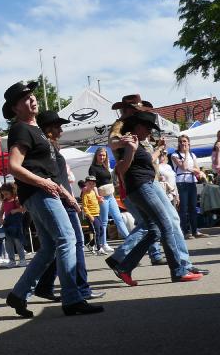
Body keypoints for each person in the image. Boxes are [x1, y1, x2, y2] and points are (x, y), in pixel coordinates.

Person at [1, 80, 103, 317]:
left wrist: (65, 193)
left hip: (44, 192)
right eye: (25, 98)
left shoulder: (36, 130)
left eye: (32, 95)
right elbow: (14, 166)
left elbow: (48, 171)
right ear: (15, 108)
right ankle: (72, 299)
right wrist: (43, 184)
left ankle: (19, 294)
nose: (32, 99)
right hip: (39, 193)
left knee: (48, 248)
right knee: (67, 238)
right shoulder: (20, 129)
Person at [106, 111, 206, 285]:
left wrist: (156, 149)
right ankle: (178, 271)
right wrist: (130, 150)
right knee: (166, 225)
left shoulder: (138, 141)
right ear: (138, 126)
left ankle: (124, 267)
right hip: (142, 187)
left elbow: (143, 161)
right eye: (148, 128)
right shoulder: (127, 140)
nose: (149, 132)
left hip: (144, 186)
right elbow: (120, 169)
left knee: (156, 230)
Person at [33, 111, 102, 302]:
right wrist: (69, 198)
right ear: (48, 129)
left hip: (61, 199)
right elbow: (53, 178)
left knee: (63, 245)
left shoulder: (51, 147)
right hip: (62, 200)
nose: (61, 131)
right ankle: (81, 288)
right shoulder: (47, 148)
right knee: (75, 243)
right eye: (58, 127)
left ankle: (45, 285)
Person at [109, 95, 164, 265]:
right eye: (136, 109)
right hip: (134, 182)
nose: (139, 111)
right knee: (150, 223)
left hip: (144, 180)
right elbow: (113, 141)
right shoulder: (120, 125)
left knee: (151, 223)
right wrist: (126, 142)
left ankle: (151, 254)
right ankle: (122, 255)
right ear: (128, 110)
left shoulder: (135, 126)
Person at [88, 148, 128, 253]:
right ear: (96, 156)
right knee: (104, 221)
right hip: (102, 196)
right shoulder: (93, 168)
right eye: (100, 155)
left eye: (104, 155)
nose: (102, 157)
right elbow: (93, 184)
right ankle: (104, 244)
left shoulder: (105, 166)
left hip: (110, 195)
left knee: (118, 218)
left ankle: (129, 239)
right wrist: (97, 196)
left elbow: (110, 178)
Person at [170, 135, 204, 239]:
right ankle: (184, 231)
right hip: (181, 182)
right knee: (183, 208)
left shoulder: (192, 155)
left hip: (191, 181)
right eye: (181, 141)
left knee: (193, 207)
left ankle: (195, 230)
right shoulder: (175, 155)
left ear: (188, 143)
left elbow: (198, 170)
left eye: (185, 141)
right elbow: (183, 167)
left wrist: (190, 168)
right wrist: (185, 154)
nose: (183, 143)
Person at [0, 183, 26, 266]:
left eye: (6, 194)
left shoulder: (16, 200)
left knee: (18, 242)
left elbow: (24, 209)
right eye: (3, 194)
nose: (5, 196)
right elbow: (1, 212)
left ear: (12, 192)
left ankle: (22, 260)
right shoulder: (4, 201)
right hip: (7, 224)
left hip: (16, 224)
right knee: (8, 243)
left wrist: (16, 210)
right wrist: (0, 218)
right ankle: (12, 260)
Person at [81, 176, 102, 254]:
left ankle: (91, 244)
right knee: (97, 232)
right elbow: (84, 206)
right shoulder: (85, 194)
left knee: (101, 231)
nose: (91, 185)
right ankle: (99, 249)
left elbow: (95, 202)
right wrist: (90, 216)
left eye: (93, 183)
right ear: (86, 184)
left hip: (97, 214)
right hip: (91, 215)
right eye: (89, 183)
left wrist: (100, 201)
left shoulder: (93, 192)